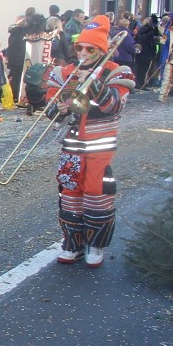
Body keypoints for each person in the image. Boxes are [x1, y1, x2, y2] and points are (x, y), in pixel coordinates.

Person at [46, 16, 134, 267]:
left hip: (100, 145)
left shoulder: (117, 71)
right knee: (70, 194)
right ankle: (72, 242)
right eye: (80, 48)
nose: (83, 53)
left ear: (102, 50)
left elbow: (114, 105)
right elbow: (49, 111)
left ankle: (95, 244)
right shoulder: (63, 73)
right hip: (71, 145)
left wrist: (93, 82)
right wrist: (60, 109)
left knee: (97, 194)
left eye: (91, 49)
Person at [158, 10, 173, 101]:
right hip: (169, 57)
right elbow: (163, 41)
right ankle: (162, 95)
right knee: (166, 76)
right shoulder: (170, 31)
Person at [134, 14, 161, 89]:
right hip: (146, 52)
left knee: (141, 68)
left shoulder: (143, 29)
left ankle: (139, 83)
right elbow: (144, 39)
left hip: (143, 52)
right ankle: (140, 83)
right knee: (143, 69)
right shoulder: (148, 30)